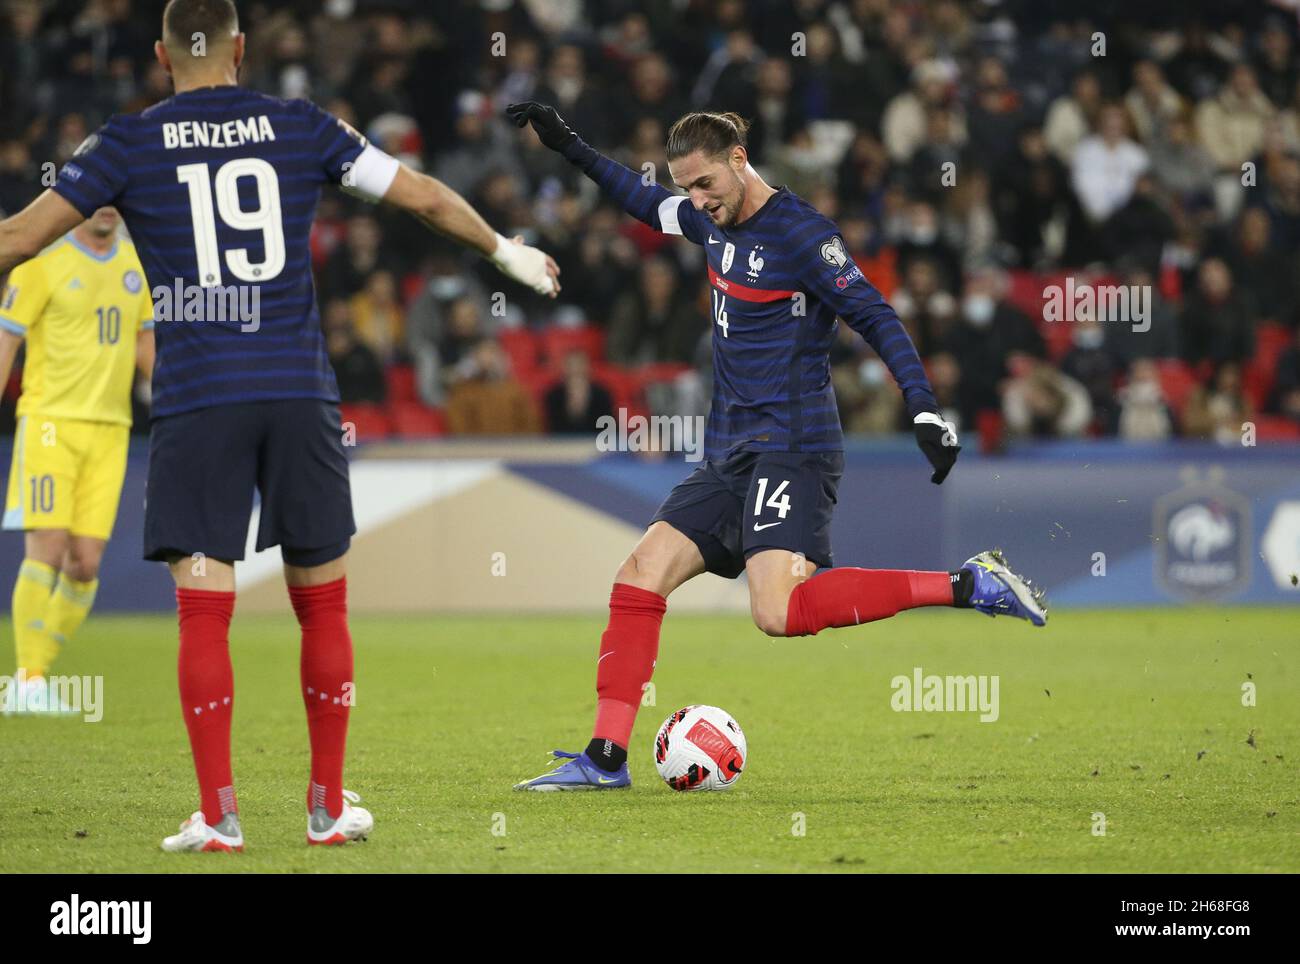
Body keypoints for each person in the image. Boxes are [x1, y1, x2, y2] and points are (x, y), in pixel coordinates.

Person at [0, 0, 559, 851]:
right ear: (241, 49)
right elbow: (420, 194)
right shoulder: (301, 124)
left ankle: (219, 815)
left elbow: (17, 240)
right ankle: (327, 808)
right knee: (323, 605)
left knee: (203, 610)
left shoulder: (126, 141)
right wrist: (504, 250)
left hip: (197, 400)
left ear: (160, 54)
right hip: (298, 394)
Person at [506, 101, 1046, 792]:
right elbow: (640, 198)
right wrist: (569, 144)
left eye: (705, 184)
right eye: (687, 189)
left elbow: (875, 315)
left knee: (778, 612)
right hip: (730, 449)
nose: (697, 201)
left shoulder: (801, 235)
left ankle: (970, 583)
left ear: (740, 159)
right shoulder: (706, 215)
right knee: (639, 574)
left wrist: (924, 409)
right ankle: (606, 759)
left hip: (794, 446)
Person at [0, 207, 154, 713]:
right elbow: (7, 339)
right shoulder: (40, 264)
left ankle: (33, 675)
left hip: (111, 431)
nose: (106, 205)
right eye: (97, 195)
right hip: (49, 423)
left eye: (115, 195)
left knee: (84, 565)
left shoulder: (136, 267)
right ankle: (28, 678)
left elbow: (145, 349)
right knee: (46, 544)